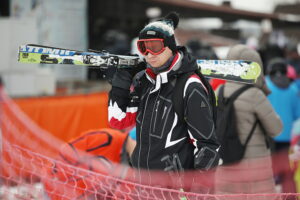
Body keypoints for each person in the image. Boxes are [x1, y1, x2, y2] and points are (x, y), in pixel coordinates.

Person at [108, 12, 219, 177]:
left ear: (170, 46)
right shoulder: (145, 82)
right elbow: (118, 121)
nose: (149, 54)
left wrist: (195, 190)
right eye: (143, 47)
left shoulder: (190, 85)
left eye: (155, 46)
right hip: (143, 183)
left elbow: (208, 146)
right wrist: (121, 85)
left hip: (173, 188)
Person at [214, 44, 283, 195]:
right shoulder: (255, 95)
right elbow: (276, 129)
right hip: (254, 171)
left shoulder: (218, 91)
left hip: (226, 165)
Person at [42, 128, 136, 200]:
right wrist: (54, 177)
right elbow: (66, 153)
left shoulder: (132, 164)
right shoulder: (107, 138)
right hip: (56, 187)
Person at [265, 57, 300, 193]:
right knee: (285, 169)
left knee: (268, 170)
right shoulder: (293, 89)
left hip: (269, 135)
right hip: (286, 136)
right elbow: (297, 114)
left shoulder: (266, 85)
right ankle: (288, 195)